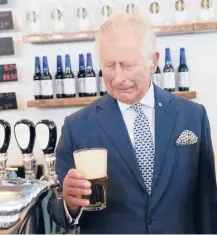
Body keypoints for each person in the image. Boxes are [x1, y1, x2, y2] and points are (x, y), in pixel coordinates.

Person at [48, 13, 217, 234]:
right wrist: (69, 204)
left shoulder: (192, 116)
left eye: (127, 65)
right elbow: (58, 213)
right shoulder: (77, 127)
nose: (118, 78)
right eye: (109, 66)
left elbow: (207, 204)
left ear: (153, 62)